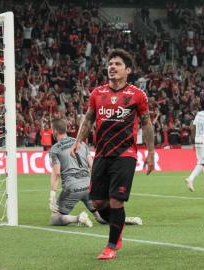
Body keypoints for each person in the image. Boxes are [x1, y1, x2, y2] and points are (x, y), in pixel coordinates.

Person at [70, 49, 155, 260]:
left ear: (128, 70)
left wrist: (151, 153)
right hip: (102, 154)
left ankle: (111, 245)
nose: (112, 67)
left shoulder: (137, 95)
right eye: (110, 63)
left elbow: (147, 123)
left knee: (116, 200)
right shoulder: (97, 94)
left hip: (125, 154)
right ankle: (118, 227)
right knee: (98, 203)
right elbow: (89, 119)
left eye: (117, 64)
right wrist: (78, 140)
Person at [48, 118, 143, 227]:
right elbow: (93, 166)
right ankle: (125, 219)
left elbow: (56, 173)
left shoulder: (55, 149)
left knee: (54, 218)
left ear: (55, 131)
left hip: (72, 187)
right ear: (65, 129)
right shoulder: (81, 144)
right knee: (101, 217)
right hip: (89, 185)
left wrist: (52, 194)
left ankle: (78, 218)